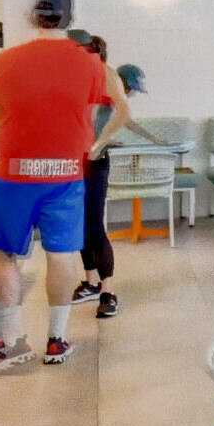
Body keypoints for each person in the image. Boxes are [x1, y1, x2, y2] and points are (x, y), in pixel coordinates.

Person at [0, 0, 126, 371]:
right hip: (65, 173)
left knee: (5, 254)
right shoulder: (90, 63)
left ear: (32, 16)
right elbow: (89, 114)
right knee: (61, 255)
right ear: (70, 17)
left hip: (13, 173)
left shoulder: (6, 59)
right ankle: (56, 340)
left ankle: (0, 338)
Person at [69, 33, 142, 319]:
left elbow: (123, 113)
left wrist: (98, 143)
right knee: (80, 226)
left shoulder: (106, 78)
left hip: (95, 163)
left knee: (94, 224)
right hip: (71, 161)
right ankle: (90, 282)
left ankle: (108, 291)